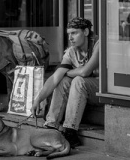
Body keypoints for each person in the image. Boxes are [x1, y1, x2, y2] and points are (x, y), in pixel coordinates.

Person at [30, 17, 100, 148]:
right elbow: (55, 78)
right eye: (69, 34)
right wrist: (38, 99)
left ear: (85, 32)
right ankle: (52, 125)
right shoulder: (72, 51)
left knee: (78, 80)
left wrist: (67, 72)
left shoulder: (98, 44)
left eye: (74, 33)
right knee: (63, 80)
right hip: (85, 92)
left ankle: (70, 131)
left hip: (105, 90)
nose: (70, 37)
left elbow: (85, 72)